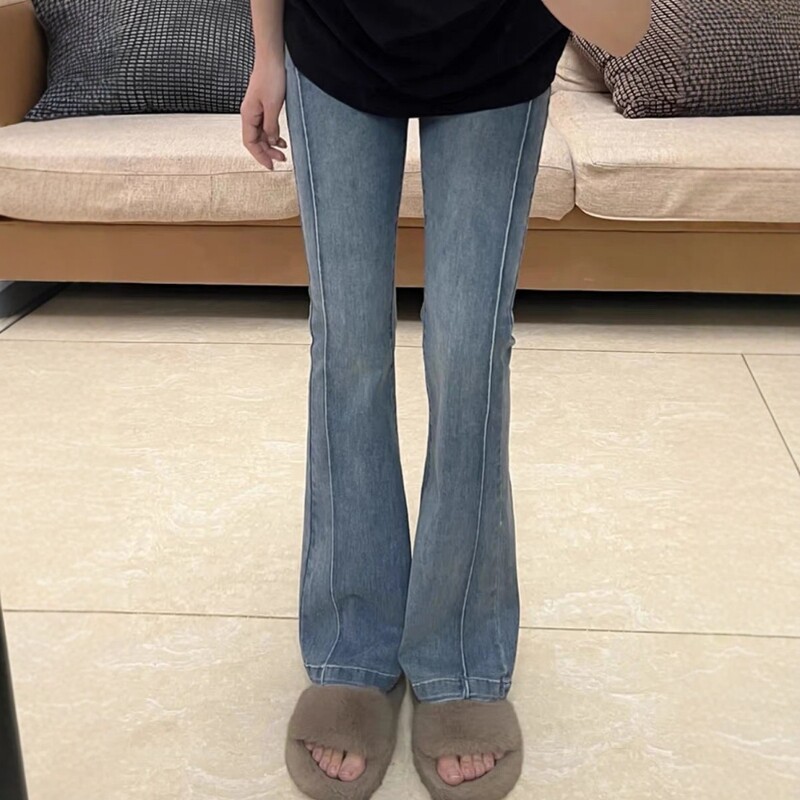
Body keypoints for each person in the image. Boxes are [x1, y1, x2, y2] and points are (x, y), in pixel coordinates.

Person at [241, 2, 651, 799]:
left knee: (469, 352)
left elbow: (627, 28)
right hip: (334, 35)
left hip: (497, 50)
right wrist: (266, 52)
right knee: (348, 346)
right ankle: (353, 643)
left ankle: (459, 648)